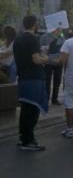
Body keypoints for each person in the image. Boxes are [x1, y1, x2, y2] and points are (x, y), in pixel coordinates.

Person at [13, 15, 49, 151]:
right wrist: (45, 58)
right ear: (34, 24)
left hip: (23, 77)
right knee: (33, 110)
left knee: (25, 109)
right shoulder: (32, 38)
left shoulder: (18, 38)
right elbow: (36, 59)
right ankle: (29, 141)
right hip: (34, 78)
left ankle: (23, 138)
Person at [40, 28, 65, 105]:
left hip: (58, 63)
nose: (61, 30)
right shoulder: (44, 37)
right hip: (47, 63)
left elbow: (64, 50)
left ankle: (55, 99)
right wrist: (46, 58)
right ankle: (46, 99)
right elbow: (41, 50)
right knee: (47, 81)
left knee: (57, 81)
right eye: (59, 29)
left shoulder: (62, 37)